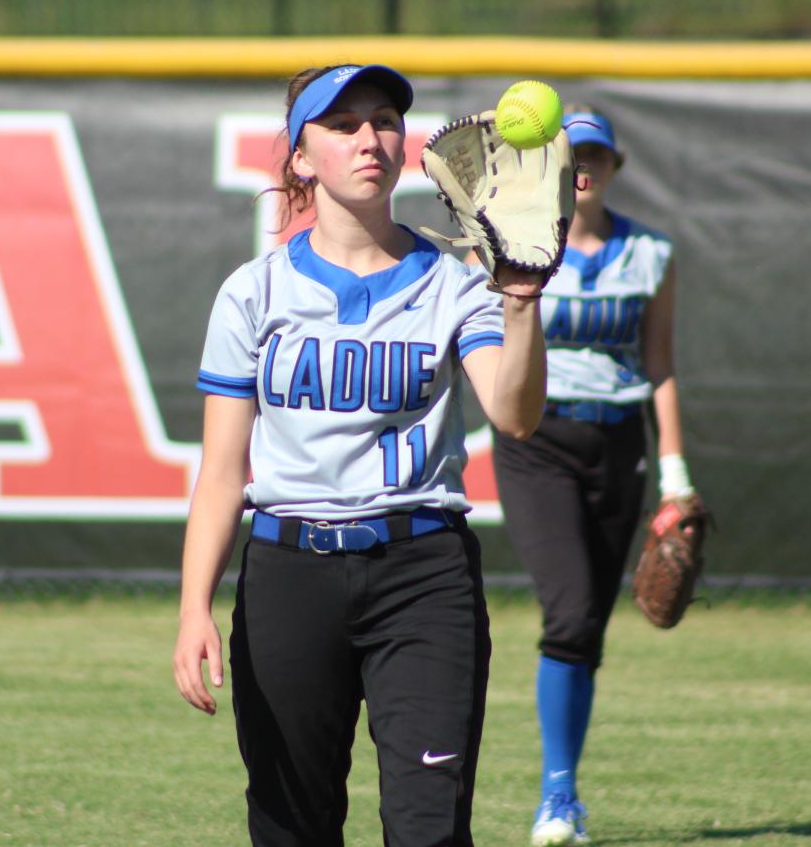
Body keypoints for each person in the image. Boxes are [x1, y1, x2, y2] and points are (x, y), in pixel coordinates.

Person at [173, 63, 548, 847]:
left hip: (422, 574)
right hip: (288, 573)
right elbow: (219, 471)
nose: (369, 137)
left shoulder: (453, 283)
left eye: (382, 119)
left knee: (429, 830)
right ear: (300, 157)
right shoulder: (252, 293)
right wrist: (192, 607)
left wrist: (519, 303)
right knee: (291, 828)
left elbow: (513, 414)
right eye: (341, 125)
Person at [491, 106, 699, 847]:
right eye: (571, 153)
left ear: (614, 166)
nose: (584, 166)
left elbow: (659, 363)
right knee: (570, 611)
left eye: (596, 155)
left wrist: (674, 475)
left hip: (618, 442)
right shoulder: (517, 245)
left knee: (588, 629)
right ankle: (555, 798)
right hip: (534, 439)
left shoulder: (650, 253)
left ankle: (565, 792)